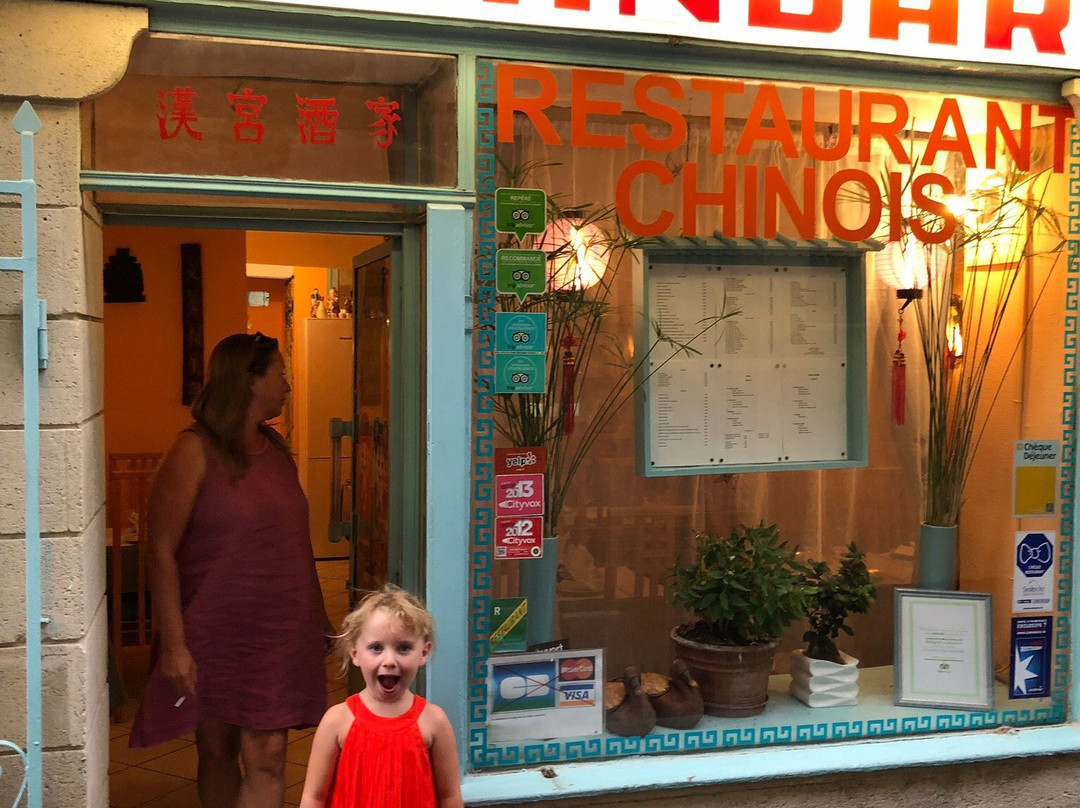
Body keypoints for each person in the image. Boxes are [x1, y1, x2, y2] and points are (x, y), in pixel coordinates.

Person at [130, 332, 330, 808]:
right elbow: (161, 551)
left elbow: (293, 542)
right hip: (214, 631)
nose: (288, 384)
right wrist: (174, 645)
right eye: (280, 374)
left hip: (278, 631)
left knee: (269, 754)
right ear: (249, 380)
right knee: (217, 750)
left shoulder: (275, 448)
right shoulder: (193, 451)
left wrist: (318, 615)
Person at [299, 585, 464, 808]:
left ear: (424, 653)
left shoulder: (434, 722)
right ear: (355, 653)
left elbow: (450, 797)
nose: (389, 661)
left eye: (403, 648)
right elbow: (314, 797)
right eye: (376, 648)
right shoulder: (337, 721)